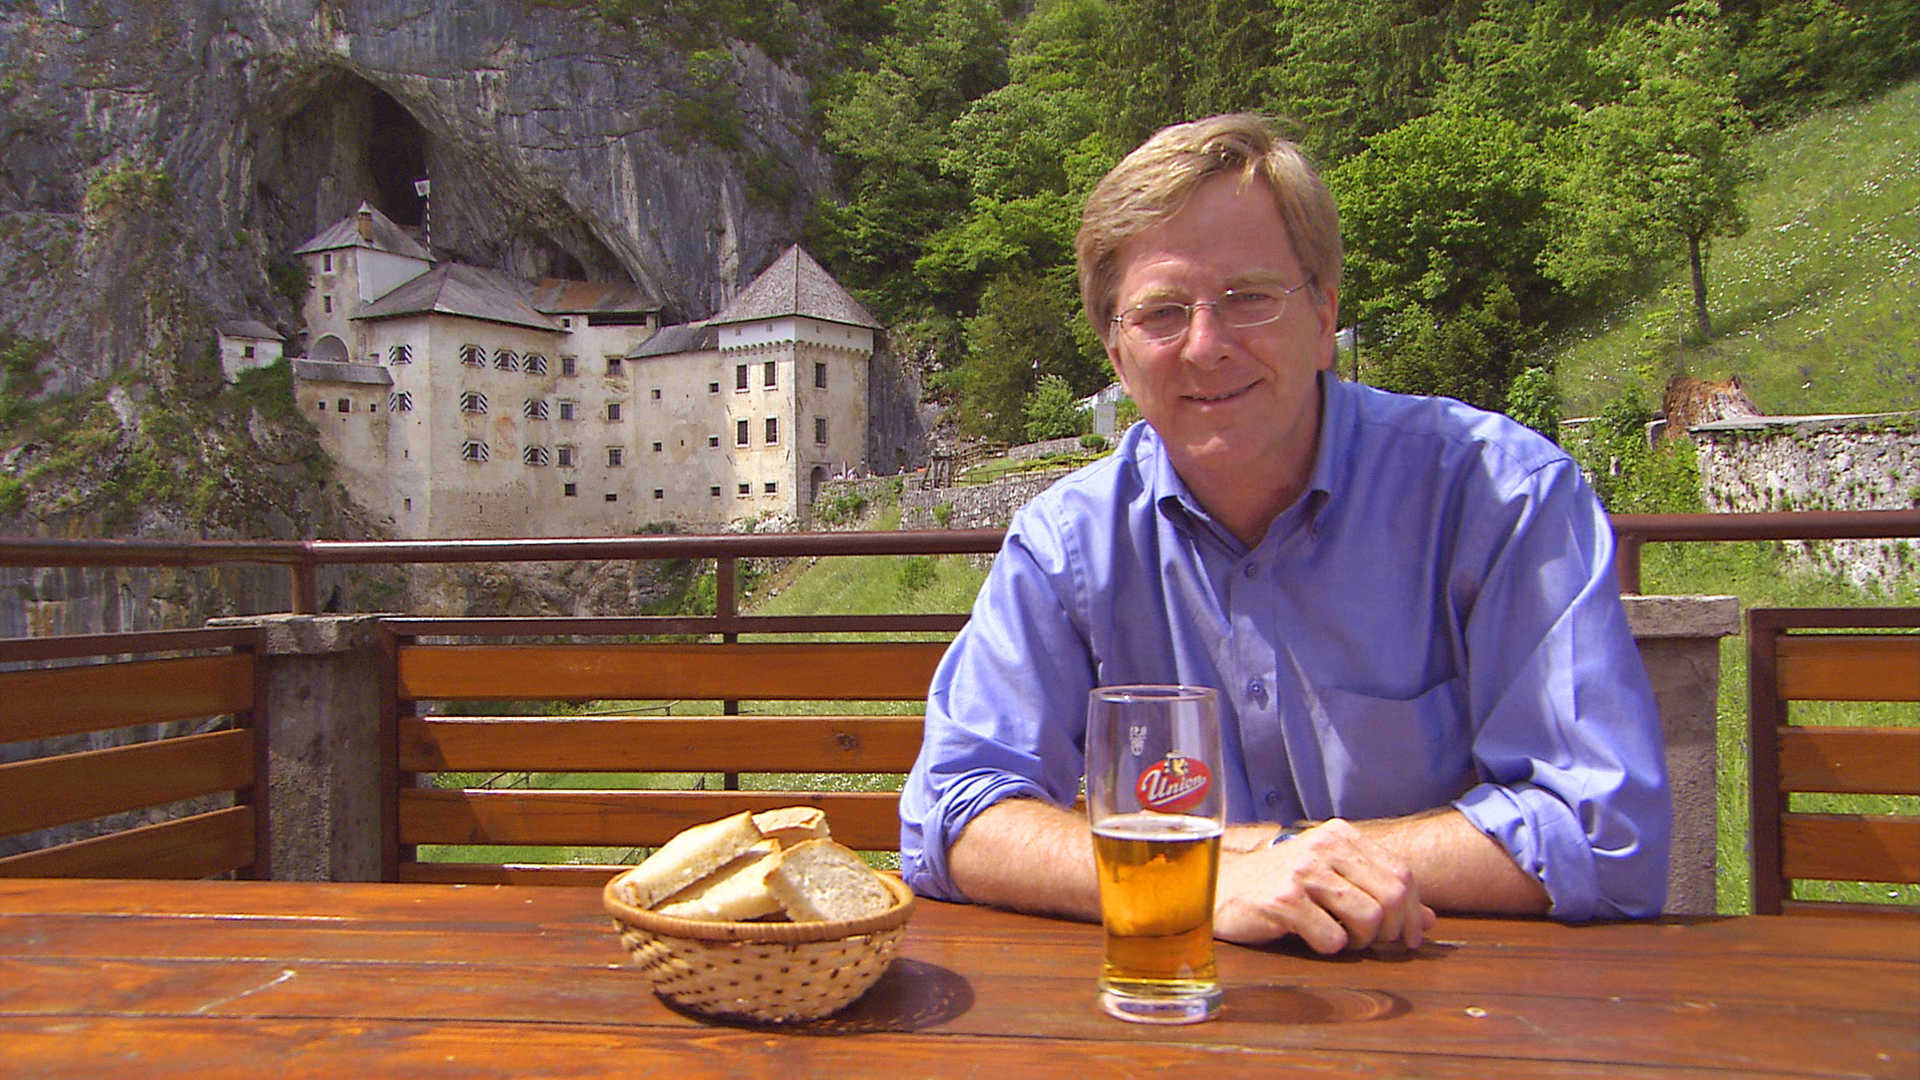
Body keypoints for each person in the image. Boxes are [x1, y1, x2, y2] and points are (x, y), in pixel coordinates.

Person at [898, 113, 1670, 955]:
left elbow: (1604, 831)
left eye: (1249, 299)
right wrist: (1216, 873)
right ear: (1117, 357)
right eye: (1160, 313)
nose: (1206, 345)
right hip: (1172, 1027)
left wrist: (1294, 863)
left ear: (1325, 316)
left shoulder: (1500, 496)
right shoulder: (1066, 545)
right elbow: (954, 812)